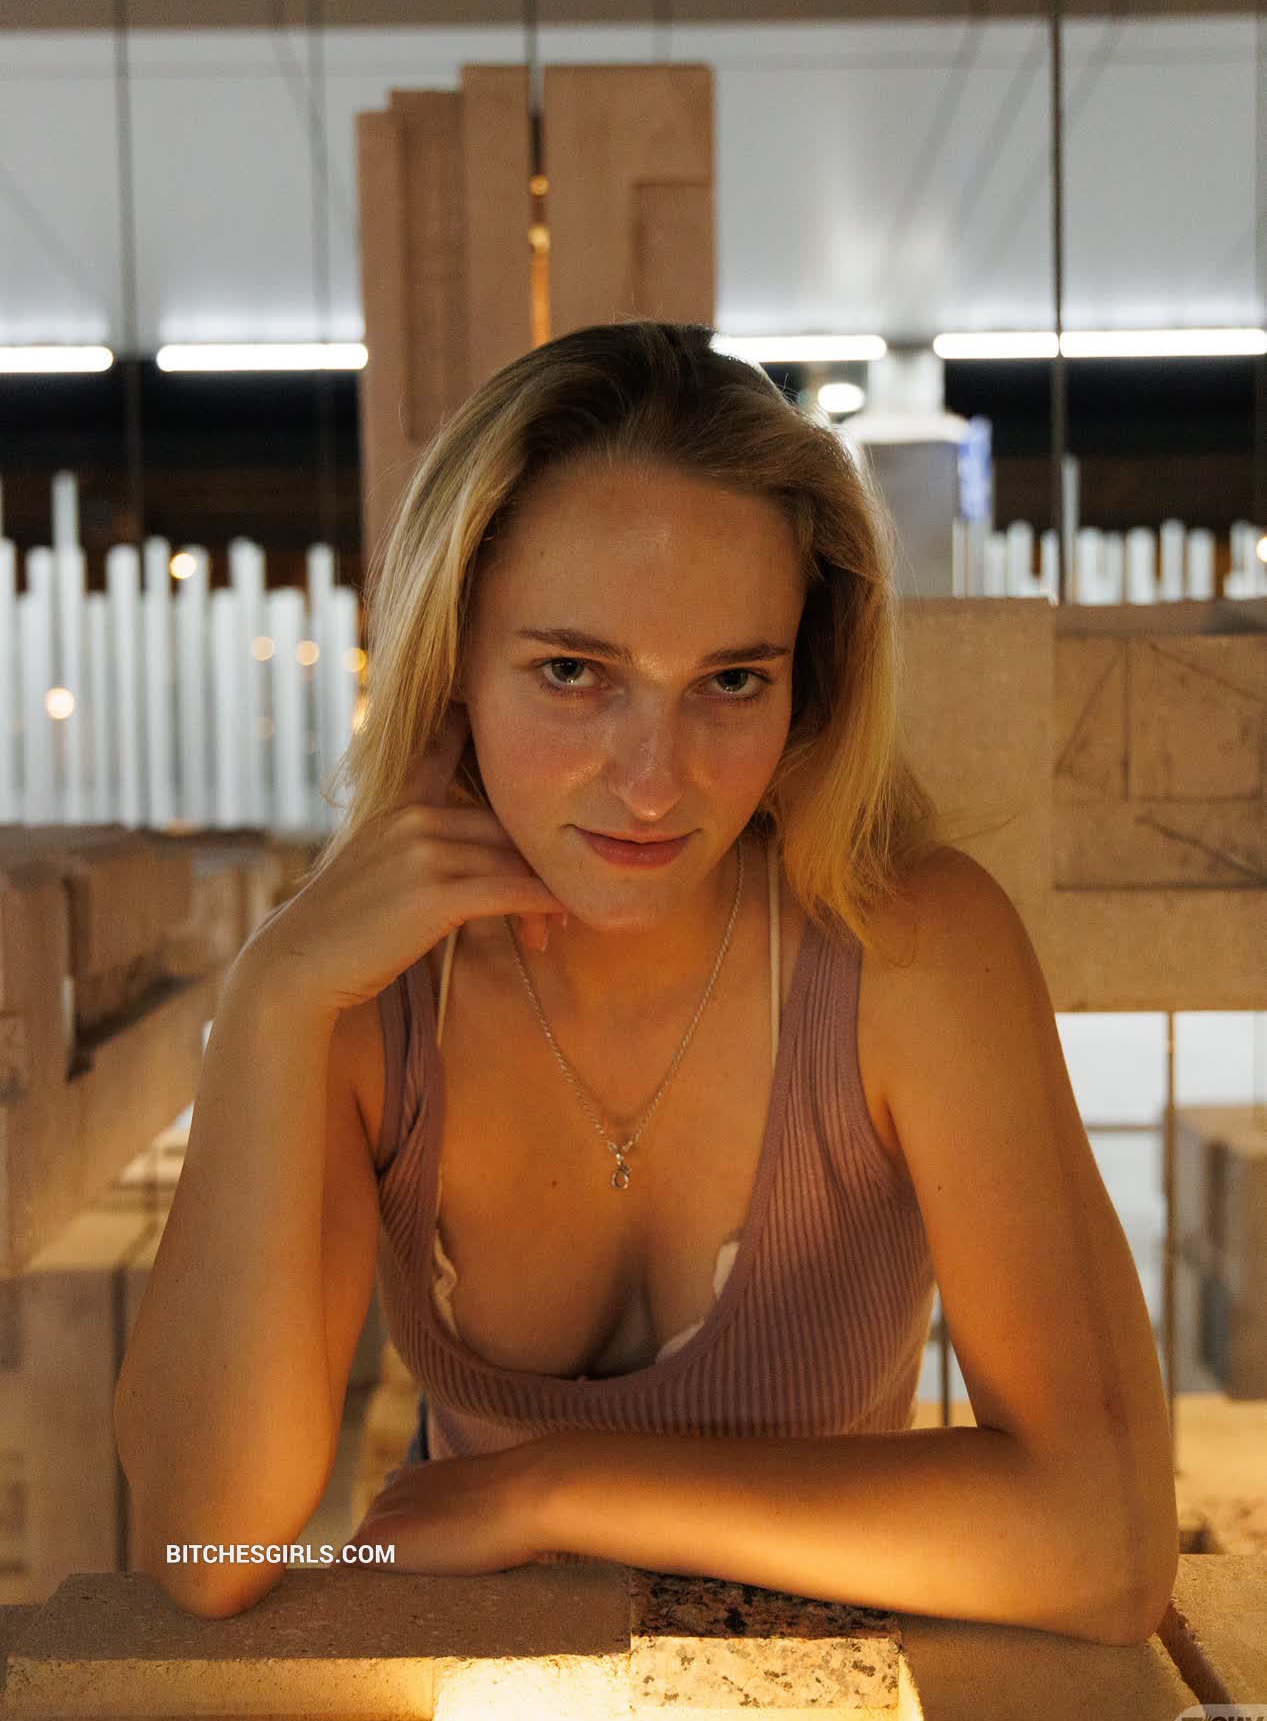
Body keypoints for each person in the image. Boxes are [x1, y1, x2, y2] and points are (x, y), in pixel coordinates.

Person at [116, 322, 1176, 1639]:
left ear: (807, 683)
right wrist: (267, 1001)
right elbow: (201, 1545)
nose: (655, 781)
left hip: (826, 1707)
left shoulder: (911, 946)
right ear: (449, 662)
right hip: (481, 1694)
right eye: (574, 672)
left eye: (731, 680)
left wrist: (551, 1490)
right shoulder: (364, 998)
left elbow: (1108, 1543)